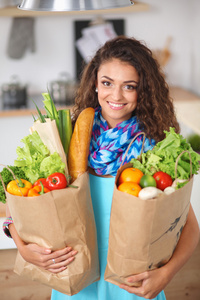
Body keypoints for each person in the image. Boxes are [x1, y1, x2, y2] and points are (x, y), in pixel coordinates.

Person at [5, 36, 199, 300]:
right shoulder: (64, 140)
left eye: (129, 86)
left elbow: (188, 225)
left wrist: (165, 275)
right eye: (107, 83)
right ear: (95, 84)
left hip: (133, 289)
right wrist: (21, 245)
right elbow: (17, 205)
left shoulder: (154, 149)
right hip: (74, 286)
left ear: (143, 91)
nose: (116, 95)